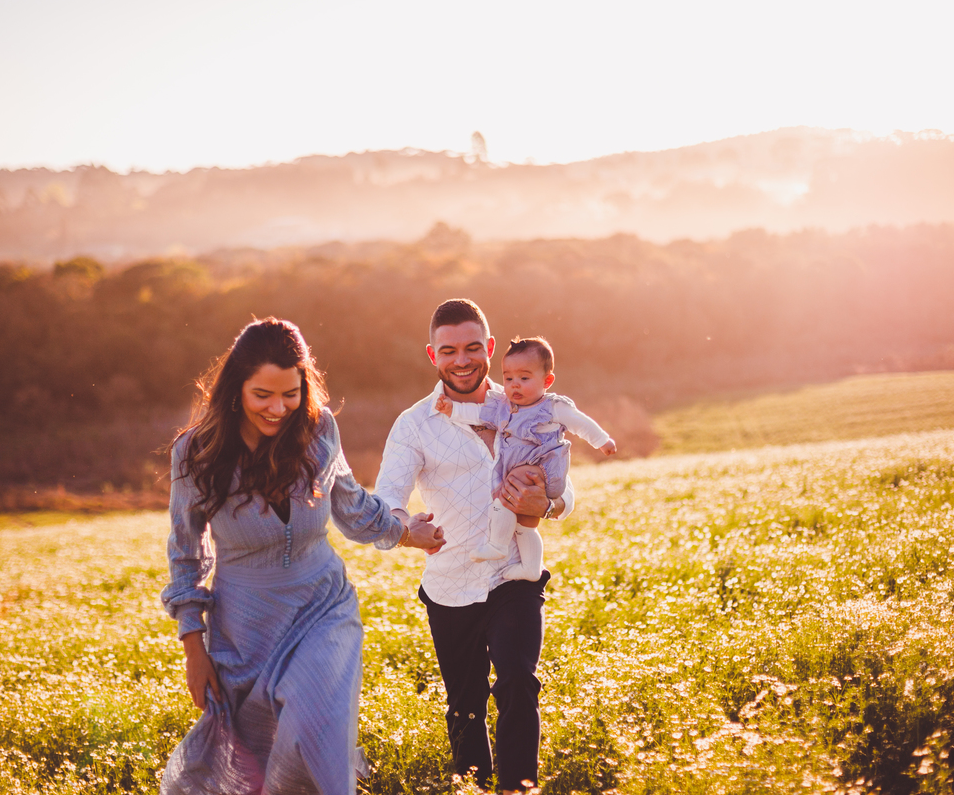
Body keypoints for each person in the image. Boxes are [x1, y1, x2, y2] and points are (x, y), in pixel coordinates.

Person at [159, 317, 444, 795]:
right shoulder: (196, 453)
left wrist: (406, 533)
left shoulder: (318, 430)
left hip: (323, 610)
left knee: (314, 734)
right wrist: (194, 646)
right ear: (236, 389)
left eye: (290, 394)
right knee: (254, 760)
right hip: (244, 631)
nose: (278, 408)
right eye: (262, 395)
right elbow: (186, 553)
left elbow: (350, 506)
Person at [374, 299, 574, 793]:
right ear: (432, 355)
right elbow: (387, 500)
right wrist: (405, 530)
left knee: (517, 685)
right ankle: (475, 788)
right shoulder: (414, 424)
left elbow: (563, 485)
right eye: (448, 351)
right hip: (449, 584)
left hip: (511, 575)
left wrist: (547, 503)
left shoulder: (525, 402)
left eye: (470, 348)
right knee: (465, 704)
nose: (460, 360)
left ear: (487, 347)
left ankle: (517, 788)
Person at [435, 335, 616, 581]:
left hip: (543, 472)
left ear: (547, 381)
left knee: (505, 492)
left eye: (524, 378)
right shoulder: (502, 406)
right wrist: (452, 409)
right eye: (508, 378)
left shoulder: (551, 407)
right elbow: (477, 414)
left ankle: (497, 544)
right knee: (524, 524)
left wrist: (602, 441)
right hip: (522, 474)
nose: (514, 385)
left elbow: (581, 423)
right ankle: (531, 568)